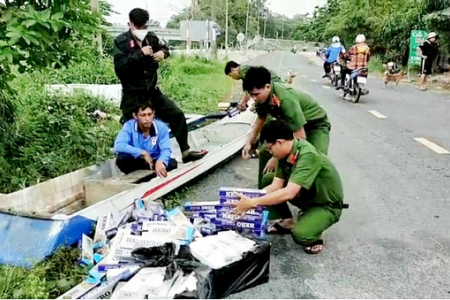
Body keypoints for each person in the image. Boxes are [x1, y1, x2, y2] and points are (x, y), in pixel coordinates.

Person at [234, 120, 347, 254]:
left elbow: (289, 193)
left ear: (280, 142)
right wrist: (250, 198)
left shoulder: (307, 155)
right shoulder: (284, 154)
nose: (269, 152)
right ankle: (288, 221)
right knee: (268, 179)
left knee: (301, 235)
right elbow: (276, 185)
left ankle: (316, 233)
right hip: (306, 195)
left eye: (270, 148)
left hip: (326, 205)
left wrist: (253, 202)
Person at [113, 8, 207, 163]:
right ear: (130, 24)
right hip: (133, 96)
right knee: (134, 129)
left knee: (176, 114)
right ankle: (135, 159)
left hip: (152, 92)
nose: (142, 30)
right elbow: (120, 67)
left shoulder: (151, 38)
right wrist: (139, 54)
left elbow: (165, 48)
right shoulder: (121, 42)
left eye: (144, 27)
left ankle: (185, 151)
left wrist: (163, 53)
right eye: (138, 27)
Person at [241, 66, 331, 189]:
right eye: (252, 95)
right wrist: (249, 142)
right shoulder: (262, 98)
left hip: (315, 125)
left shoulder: (285, 98)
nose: (255, 98)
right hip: (292, 124)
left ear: (268, 86)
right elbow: (260, 119)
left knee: (315, 160)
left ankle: (313, 200)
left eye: (256, 94)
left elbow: (300, 136)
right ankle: (263, 190)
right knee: (264, 150)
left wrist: (276, 159)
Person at [114, 100, 178, 178]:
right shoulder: (129, 126)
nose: (147, 118)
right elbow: (118, 145)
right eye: (143, 115)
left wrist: (161, 161)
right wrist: (142, 153)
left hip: (155, 159)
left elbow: (166, 149)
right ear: (135, 116)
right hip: (139, 159)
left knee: (172, 163)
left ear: (153, 113)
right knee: (122, 159)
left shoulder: (161, 127)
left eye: (149, 114)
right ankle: (148, 171)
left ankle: (155, 169)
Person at [224, 61, 296, 111]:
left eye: (231, 75)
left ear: (232, 70)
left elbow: (251, 89)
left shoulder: (242, 70)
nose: (232, 78)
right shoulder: (243, 72)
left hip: (271, 81)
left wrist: (244, 103)